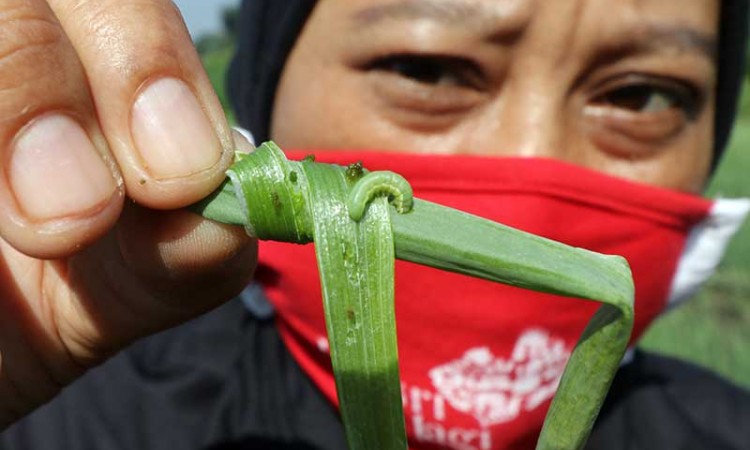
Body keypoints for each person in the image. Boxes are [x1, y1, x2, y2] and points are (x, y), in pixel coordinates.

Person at [0, 0, 749, 449]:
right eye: (427, 71)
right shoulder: (80, 419)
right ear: (264, 99)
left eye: (643, 96)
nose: (532, 159)